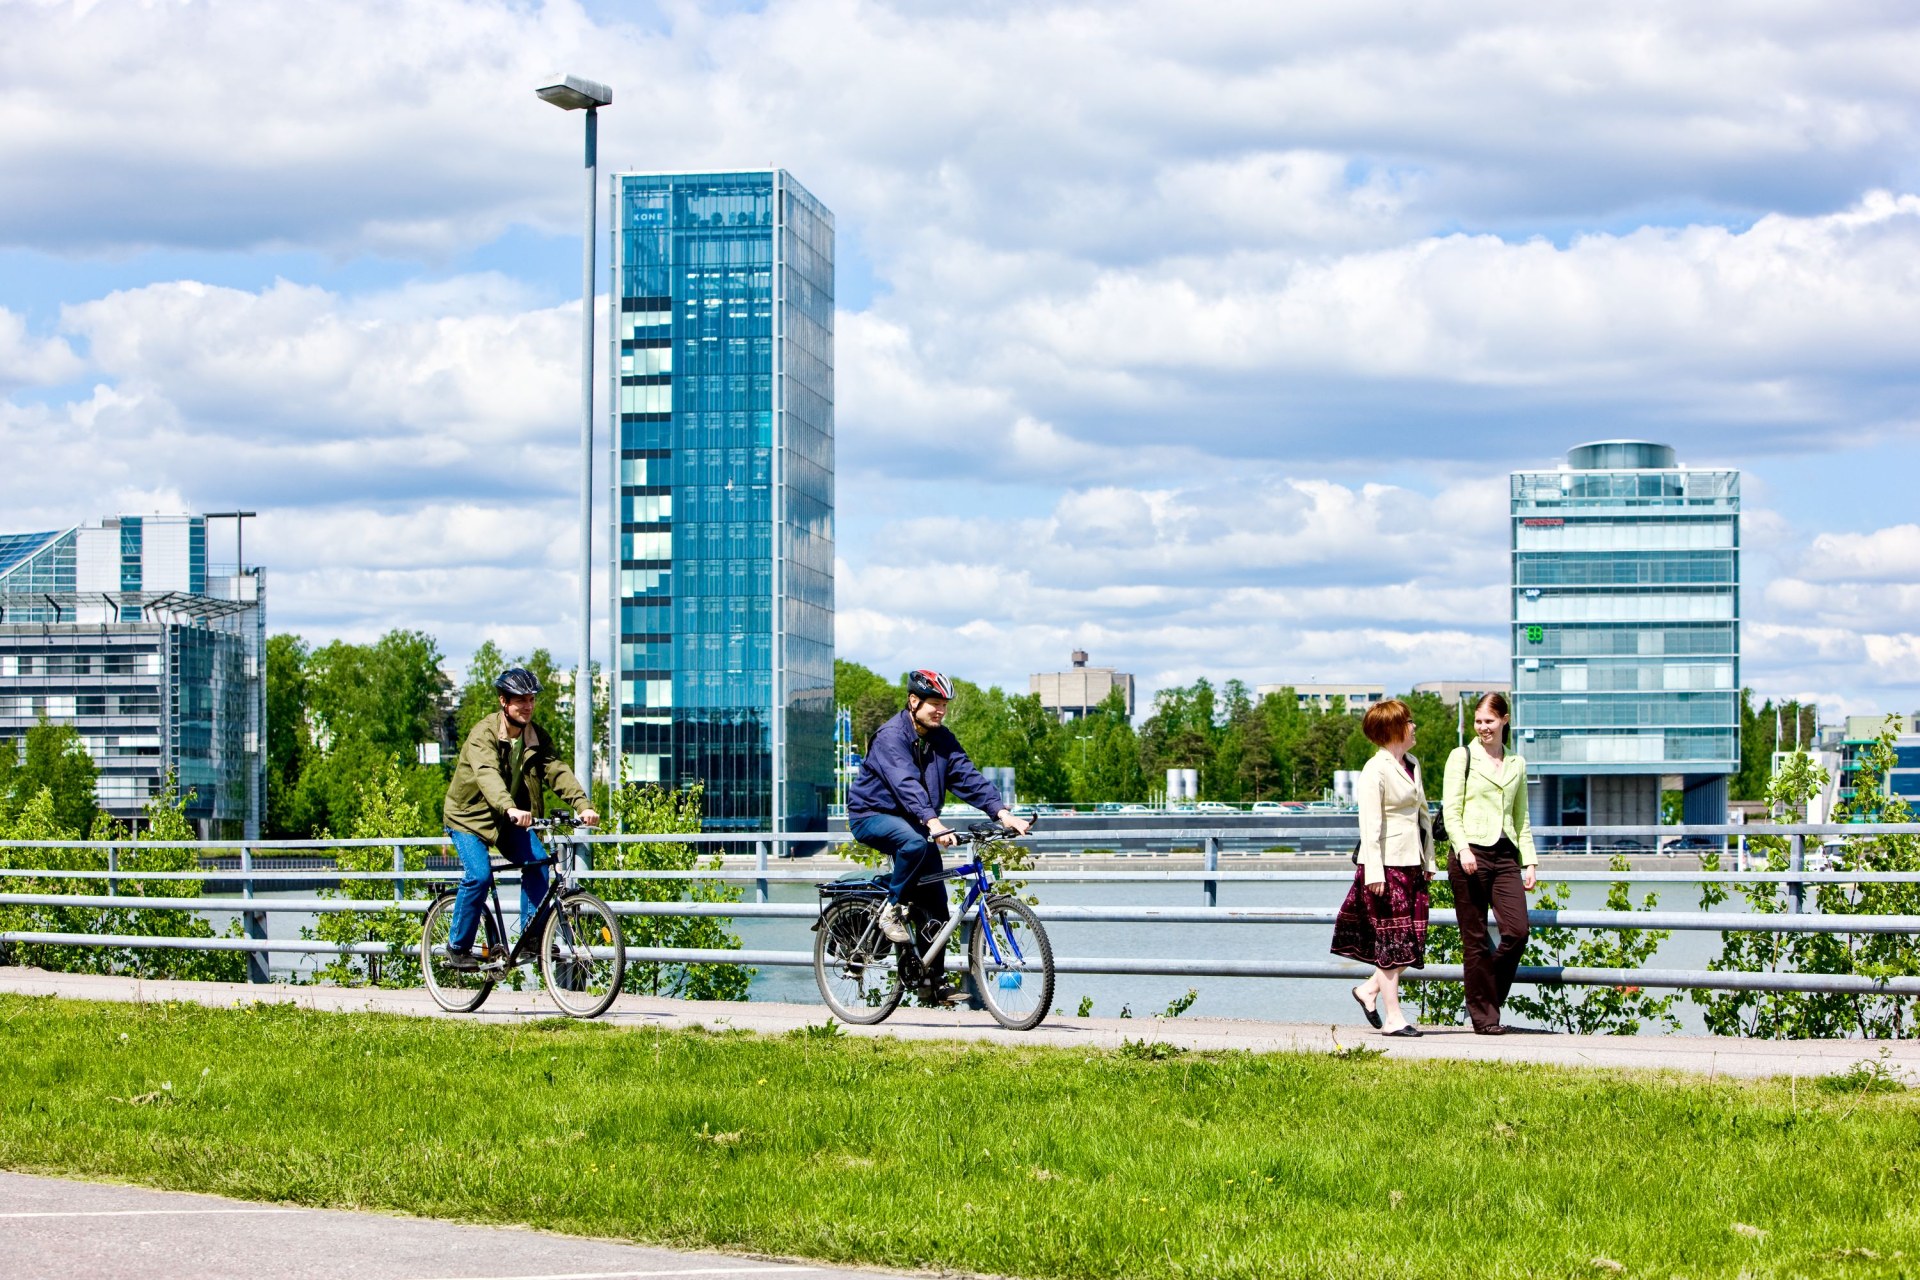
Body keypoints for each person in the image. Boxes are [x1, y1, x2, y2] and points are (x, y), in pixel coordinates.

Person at [845, 668, 1030, 1004]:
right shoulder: (890, 737)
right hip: (872, 815)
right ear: (913, 701)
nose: (941, 711)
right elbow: (905, 783)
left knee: (936, 904)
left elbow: (968, 777)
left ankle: (932, 982)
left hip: (915, 821)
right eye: (935, 704)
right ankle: (890, 909)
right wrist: (933, 823)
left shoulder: (941, 739)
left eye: (944, 705)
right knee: (914, 843)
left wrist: (1002, 813)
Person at [440, 667, 600, 969]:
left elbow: (557, 772)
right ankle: (457, 947)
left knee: (538, 863)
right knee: (479, 876)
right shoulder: (483, 735)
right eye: (520, 700)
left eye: (531, 700)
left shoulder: (534, 736)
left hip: (506, 821)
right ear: (503, 701)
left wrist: (582, 805)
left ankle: (531, 938)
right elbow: (487, 775)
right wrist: (510, 807)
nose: (527, 706)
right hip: (468, 818)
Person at [1332, 698, 1437, 1037]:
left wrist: (1429, 859)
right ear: (1393, 729)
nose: (1414, 727)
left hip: (1412, 862)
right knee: (1392, 941)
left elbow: (1423, 815)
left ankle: (1369, 990)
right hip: (1386, 865)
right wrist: (1374, 872)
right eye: (1408, 722)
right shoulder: (1374, 770)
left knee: (1413, 939)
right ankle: (1394, 1018)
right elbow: (1370, 825)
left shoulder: (1412, 763)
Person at [1441, 691, 1537, 1035]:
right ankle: (1485, 1019)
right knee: (1476, 939)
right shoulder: (1462, 756)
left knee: (1517, 932)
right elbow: (1451, 810)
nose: (1483, 727)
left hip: (1506, 854)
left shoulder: (1517, 763)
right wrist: (1462, 848)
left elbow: (1521, 816)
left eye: (1490, 721)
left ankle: (1484, 997)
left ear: (1504, 720)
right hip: (1470, 854)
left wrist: (1529, 861)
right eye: (1478, 721)